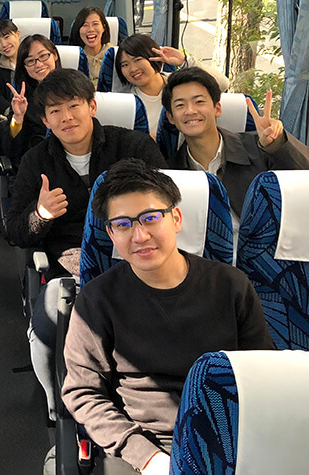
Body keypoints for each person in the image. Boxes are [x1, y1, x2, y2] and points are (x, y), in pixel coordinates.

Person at [62, 157, 274, 475]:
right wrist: (146, 457)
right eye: (123, 224)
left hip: (227, 440)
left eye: (150, 218)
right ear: (111, 234)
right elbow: (82, 392)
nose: (139, 235)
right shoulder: (96, 300)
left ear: (176, 218)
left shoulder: (231, 286)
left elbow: (261, 374)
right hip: (145, 447)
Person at [5, 69, 165, 422]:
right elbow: (15, 231)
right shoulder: (36, 161)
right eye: (55, 111)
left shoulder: (134, 148)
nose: (66, 117)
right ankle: (58, 408)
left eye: (73, 106)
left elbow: (166, 207)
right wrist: (41, 215)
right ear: (45, 121)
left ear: (92, 106)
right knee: (47, 325)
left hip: (140, 258)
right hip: (75, 266)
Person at [163, 67, 309, 219]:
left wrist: (277, 145)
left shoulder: (259, 147)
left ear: (217, 109)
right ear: (171, 117)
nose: (190, 111)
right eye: (180, 105)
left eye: (199, 102)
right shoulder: (171, 173)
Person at [114, 33, 229, 137]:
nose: (133, 69)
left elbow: (222, 84)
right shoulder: (126, 102)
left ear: (153, 57)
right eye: (125, 65)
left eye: (138, 60)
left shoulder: (180, 83)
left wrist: (184, 61)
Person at [0, 34, 62, 167]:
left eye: (43, 56)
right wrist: (18, 118)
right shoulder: (22, 100)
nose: (39, 64)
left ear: (55, 55)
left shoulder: (73, 90)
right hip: (37, 164)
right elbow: (12, 151)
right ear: (25, 67)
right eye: (30, 61)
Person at [69, 7, 113, 88]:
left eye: (95, 24)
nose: (90, 29)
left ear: (103, 27)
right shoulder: (73, 58)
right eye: (85, 25)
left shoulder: (114, 55)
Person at [0, 19, 21, 117]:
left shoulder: (32, 60)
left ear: (18, 34)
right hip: (8, 115)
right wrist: (11, 113)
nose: (4, 45)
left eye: (7, 37)